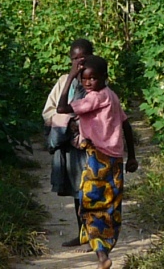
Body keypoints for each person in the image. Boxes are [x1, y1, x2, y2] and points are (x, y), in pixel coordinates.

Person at [56, 56, 138, 269]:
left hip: (97, 160)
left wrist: (71, 76)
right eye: (84, 79)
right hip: (116, 161)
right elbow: (126, 125)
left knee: (90, 205)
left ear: (104, 78)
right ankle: (105, 249)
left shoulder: (94, 99)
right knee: (111, 206)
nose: (88, 82)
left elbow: (62, 108)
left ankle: (101, 254)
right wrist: (132, 156)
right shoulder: (112, 96)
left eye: (93, 78)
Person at [41, 39, 93, 247]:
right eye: (75, 59)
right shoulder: (64, 81)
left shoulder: (95, 80)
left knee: (91, 191)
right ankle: (82, 232)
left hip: (90, 146)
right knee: (76, 191)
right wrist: (67, 122)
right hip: (70, 147)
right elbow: (49, 111)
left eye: (83, 58)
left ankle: (95, 235)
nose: (79, 63)